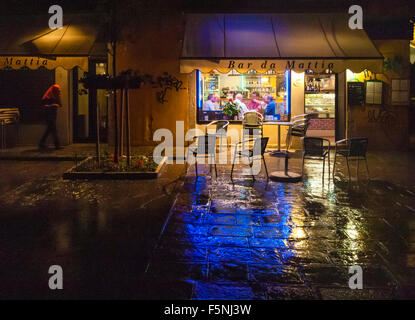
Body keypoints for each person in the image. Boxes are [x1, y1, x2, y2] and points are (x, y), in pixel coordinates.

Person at [39, 84, 62, 149]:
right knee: (53, 129)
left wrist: (58, 98)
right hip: (49, 115)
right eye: (57, 90)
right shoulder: (47, 97)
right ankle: (57, 145)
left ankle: (41, 143)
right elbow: (45, 106)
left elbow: (60, 104)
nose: (59, 91)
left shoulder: (54, 96)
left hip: (53, 114)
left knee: (49, 129)